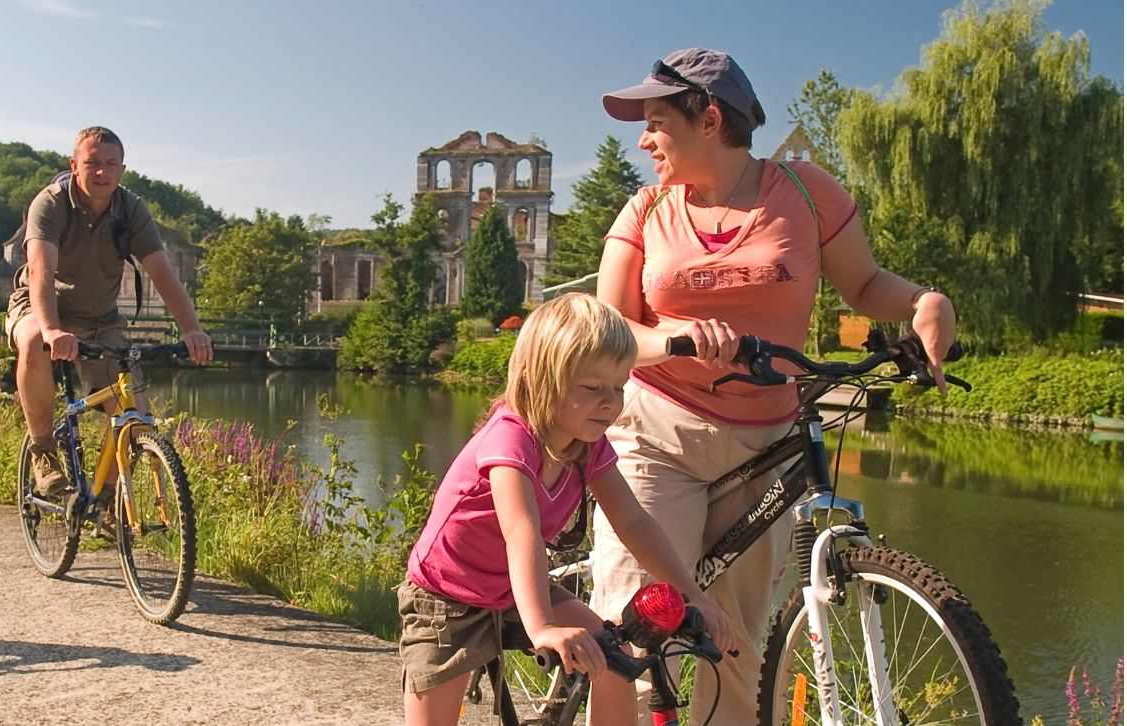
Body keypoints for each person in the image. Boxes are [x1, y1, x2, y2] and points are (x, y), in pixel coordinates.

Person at [590, 48, 958, 723]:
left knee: (734, 647)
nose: (643, 141)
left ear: (707, 120)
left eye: (655, 123)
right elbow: (608, 328)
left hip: (766, 444)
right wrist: (670, 338)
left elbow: (865, 285)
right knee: (635, 630)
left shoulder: (806, 193)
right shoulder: (645, 211)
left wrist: (922, 302)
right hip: (656, 433)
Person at [397, 293, 737, 726]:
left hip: (511, 587)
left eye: (619, 386)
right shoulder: (510, 442)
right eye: (594, 388)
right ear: (542, 380)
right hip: (447, 597)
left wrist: (696, 596)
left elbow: (633, 522)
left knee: (614, 662)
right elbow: (522, 533)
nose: (611, 402)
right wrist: (541, 628)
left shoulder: (587, 446)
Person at [6, 126, 213, 498]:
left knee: (134, 414)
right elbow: (40, 270)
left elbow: (162, 274)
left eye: (110, 164)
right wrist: (52, 330)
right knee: (34, 340)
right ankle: (43, 452)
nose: (101, 172)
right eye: (92, 163)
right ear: (75, 165)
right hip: (40, 306)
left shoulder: (130, 209)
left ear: (122, 170)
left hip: (99, 319)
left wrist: (192, 331)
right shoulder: (50, 204)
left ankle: (105, 500)